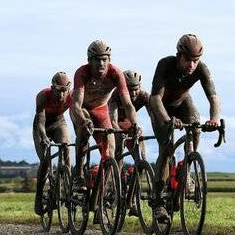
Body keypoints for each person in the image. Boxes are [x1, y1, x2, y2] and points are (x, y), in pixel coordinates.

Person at [150, 33, 221, 223]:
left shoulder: (201, 69)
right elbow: (155, 98)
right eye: (188, 60)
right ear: (179, 56)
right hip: (161, 106)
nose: (191, 65)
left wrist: (214, 118)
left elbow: (213, 97)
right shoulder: (165, 64)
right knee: (166, 149)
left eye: (195, 61)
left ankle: (188, 166)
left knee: (195, 124)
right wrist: (167, 120)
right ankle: (158, 201)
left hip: (182, 102)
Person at [70, 40, 138, 196]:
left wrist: (135, 124)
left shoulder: (116, 73)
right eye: (97, 59)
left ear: (109, 60)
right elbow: (76, 105)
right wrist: (83, 121)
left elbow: (128, 104)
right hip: (82, 109)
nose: (101, 63)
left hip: (101, 110)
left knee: (110, 150)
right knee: (84, 130)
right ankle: (79, 174)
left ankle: (102, 191)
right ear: (89, 60)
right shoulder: (82, 73)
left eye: (104, 59)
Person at [109, 69, 152, 217]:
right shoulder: (116, 95)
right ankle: (116, 188)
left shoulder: (144, 95)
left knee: (141, 159)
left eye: (136, 90)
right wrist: (116, 129)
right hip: (115, 123)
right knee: (118, 156)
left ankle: (131, 199)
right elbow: (112, 120)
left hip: (129, 123)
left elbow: (154, 115)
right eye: (129, 90)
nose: (133, 94)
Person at [32, 72, 72, 215]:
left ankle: (66, 186)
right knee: (45, 161)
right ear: (52, 88)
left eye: (64, 91)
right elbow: (41, 119)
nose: (61, 95)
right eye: (58, 91)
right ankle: (38, 198)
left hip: (58, 122)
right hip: (41, 126)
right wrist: (43, 136)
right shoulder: (43, 95)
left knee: (66, 146)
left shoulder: (72, 96)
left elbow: (77, 113)